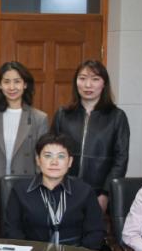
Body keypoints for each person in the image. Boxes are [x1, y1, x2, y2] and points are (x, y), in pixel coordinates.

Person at [2, 132, 105, 250]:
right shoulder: (20, 191)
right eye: (48, 156)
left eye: (61, 156)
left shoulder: (84, 192)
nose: (54, 162)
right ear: (38, 160)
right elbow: (12, 231)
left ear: (70, 161)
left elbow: (95, 232)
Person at [52, 59, 130, 213]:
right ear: (76, 82)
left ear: (104, 83)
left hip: (98, 192)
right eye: (82, 78)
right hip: (64, 188)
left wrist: (106, 193)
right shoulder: (63, 114)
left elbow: (121, 160)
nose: (88, 85)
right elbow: (51, 152)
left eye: (95, 79)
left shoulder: (117, 117)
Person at [0, 61, 49, 212]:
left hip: (26, 187)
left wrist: (40, 189)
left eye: (17, 81)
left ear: (25, 84)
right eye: (6, 82)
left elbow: (42, 159)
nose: (12, 87)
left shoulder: (39, 118)